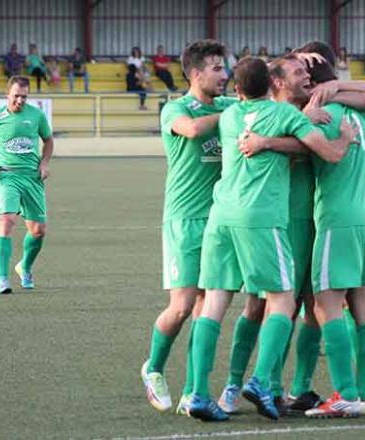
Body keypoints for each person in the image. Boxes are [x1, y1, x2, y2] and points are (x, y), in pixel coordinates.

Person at [188, 56, 355, 422]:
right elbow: (330, 153)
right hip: (260, 218)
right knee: (281, 300)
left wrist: (274, 137)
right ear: (272, 84)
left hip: (221, 217)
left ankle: (198, 392)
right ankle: (262, 380)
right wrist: (342, 136)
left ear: (237, 89)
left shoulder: (231, 115)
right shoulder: (286, 116)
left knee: (215, 302)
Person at [290, 55, 365, 419]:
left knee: (325, 304)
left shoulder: (321, 115)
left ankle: (345, 393)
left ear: (315, 85)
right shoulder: (362, 116)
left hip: (338, 218)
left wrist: (260, 140)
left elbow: (295, 145)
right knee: (364, 305)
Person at [140, 39, 235, 415]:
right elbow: (193, 129)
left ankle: (194, 391)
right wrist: (231, 116)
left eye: (225, 68)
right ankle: (153, 368)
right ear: (196, 73)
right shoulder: (175, 109)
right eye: (216, 68)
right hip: (184, 220)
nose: (224, 75)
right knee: (180, 306)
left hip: (220, 220)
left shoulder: (229, 105)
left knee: (206, 308)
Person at [0, 76, 53, 294]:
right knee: (6, 220)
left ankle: (24, 267)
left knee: (38, 231)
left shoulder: (37, 115)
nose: (20, 100)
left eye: (24, 96)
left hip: (32, 177)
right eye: (16, 95)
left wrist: (44, 163)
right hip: (7, 176)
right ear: (7, 95)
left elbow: (48, 140)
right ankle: (2, 279)